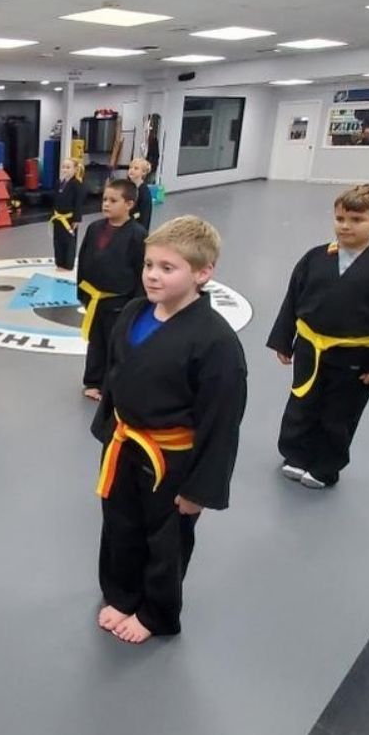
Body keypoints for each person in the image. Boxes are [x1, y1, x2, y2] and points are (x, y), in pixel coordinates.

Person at [92, 215, 247, 643]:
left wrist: (200, 490)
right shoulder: (134, 312)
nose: (153, 276)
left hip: (172, 459)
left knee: (166, 540)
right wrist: (109, 430)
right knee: (119, 523)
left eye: (167, 268)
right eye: (148, 265)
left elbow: (222, 421)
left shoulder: (215, 342)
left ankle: (156, 612)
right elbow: (116, 375)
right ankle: (122, 594)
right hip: (126, 444)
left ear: (203, 272)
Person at [267, 183, 369, 489]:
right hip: (310, 347)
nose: (345, 226)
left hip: (355, 356)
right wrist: (284, 339)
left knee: (339, 412)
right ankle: (294, 454)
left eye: (357, 220)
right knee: (301, 402)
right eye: (340, 219)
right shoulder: (314, 258)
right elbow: (293, 300)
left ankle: (325, 467)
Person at [77, 179, 146, 401]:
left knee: (116, 344)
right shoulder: (94, 228)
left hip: (121, 301)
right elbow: (84, 259)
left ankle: (113, 384)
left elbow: (140, 272)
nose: (106, 204)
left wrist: (136, 304)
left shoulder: (138, 234)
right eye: (104, 199)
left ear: (129, 204)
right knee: (96, 341)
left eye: (113, 200)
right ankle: (94, 381)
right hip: (95, 297)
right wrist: (82, 292)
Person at [50, 158, 85, 270]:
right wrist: (53, 214)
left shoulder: (77, 184)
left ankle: (68, 264)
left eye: (68, 167)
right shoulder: (59, 183)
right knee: (58, 240)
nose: (65, 169)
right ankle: (59, 262)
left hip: (69, 219)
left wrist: (77, 219)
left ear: (75, 170)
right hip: (58, 217)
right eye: (63, 167)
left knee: (68, 242)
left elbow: (78, 203)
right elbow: (55, 200)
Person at [127, 157, 153, 232]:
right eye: (130, 167)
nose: (131, 170)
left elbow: (144, 214)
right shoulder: (129, 186)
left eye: (136, 168)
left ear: (143, 172)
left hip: (138, 226)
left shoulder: (144, 192)